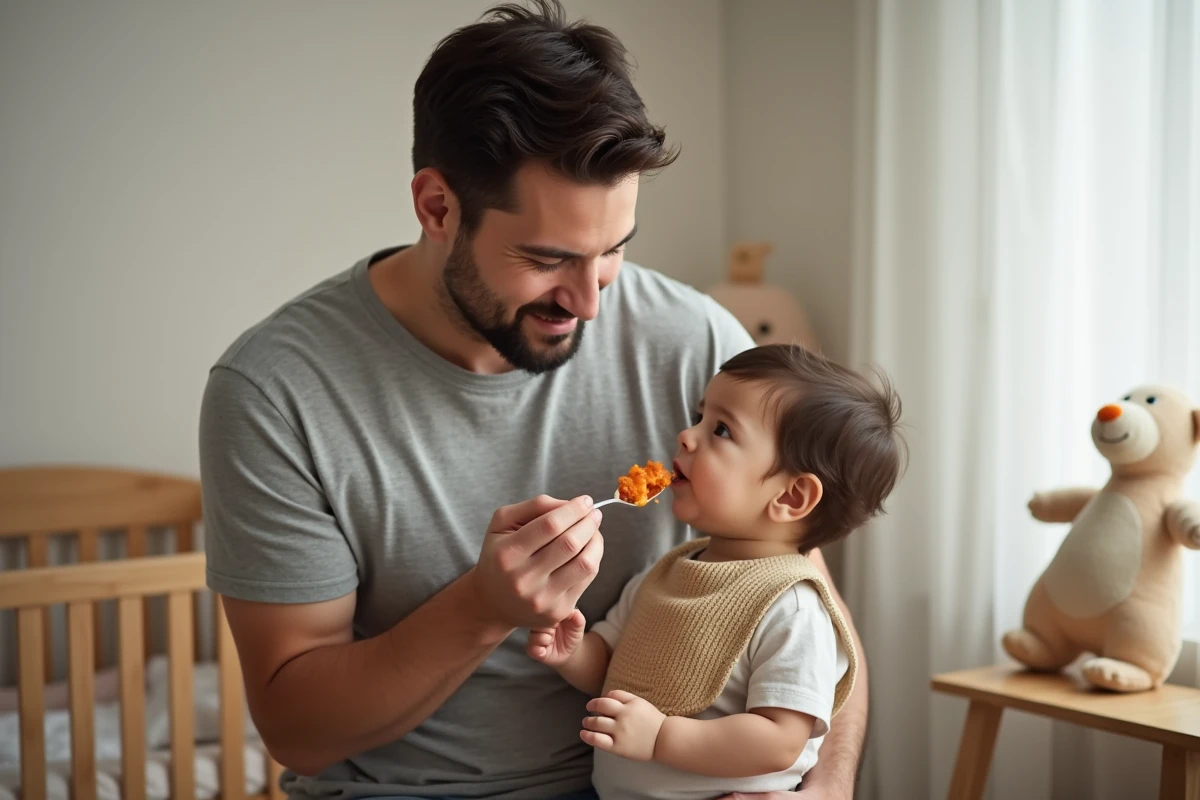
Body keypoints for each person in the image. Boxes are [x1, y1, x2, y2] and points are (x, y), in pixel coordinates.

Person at [198, 2, 869, 798]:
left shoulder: (699, 345)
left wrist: (825, 791)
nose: (590, 302)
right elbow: (297, 732)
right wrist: (483, 608)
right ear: (437, 207)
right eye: (548, 259)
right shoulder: (275, 391)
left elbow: (804, 602)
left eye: (614, 250)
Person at [528, 344, 904, 800]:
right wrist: (572, 653)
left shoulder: (793, 608)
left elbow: (780, 739)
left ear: (790, 498)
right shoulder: (667, 573)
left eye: (721, 429)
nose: (687, 435)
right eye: (699, 417)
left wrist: (662, 736)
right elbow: (614, 670)